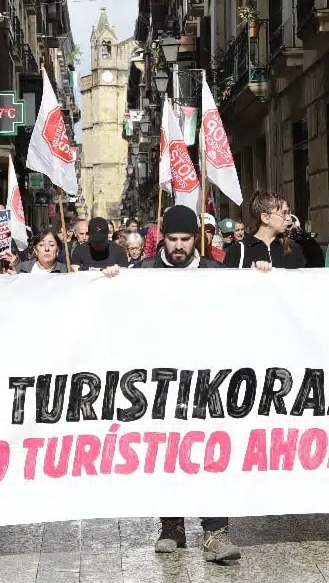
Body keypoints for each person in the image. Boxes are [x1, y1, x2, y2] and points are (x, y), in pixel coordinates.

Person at [100, 206, 240, 564]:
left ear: (197, 238)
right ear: (162, 238)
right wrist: (112, 278)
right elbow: (117, 311)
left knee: (210, 450)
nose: (179, 246)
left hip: (205, 377)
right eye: (173, 239)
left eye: (186, 239)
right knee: (167, 450)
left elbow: (239, 309)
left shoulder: (213, 271)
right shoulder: (144, 271)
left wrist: (260, 275)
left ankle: (215, 532)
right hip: (159, 380)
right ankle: (171, 527)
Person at [224, 190, 305, 269]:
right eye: (283, 213)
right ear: (265, 218)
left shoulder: (293, 249)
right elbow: (228, 281)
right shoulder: (238, 250)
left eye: (288, 213)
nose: (288, 218)